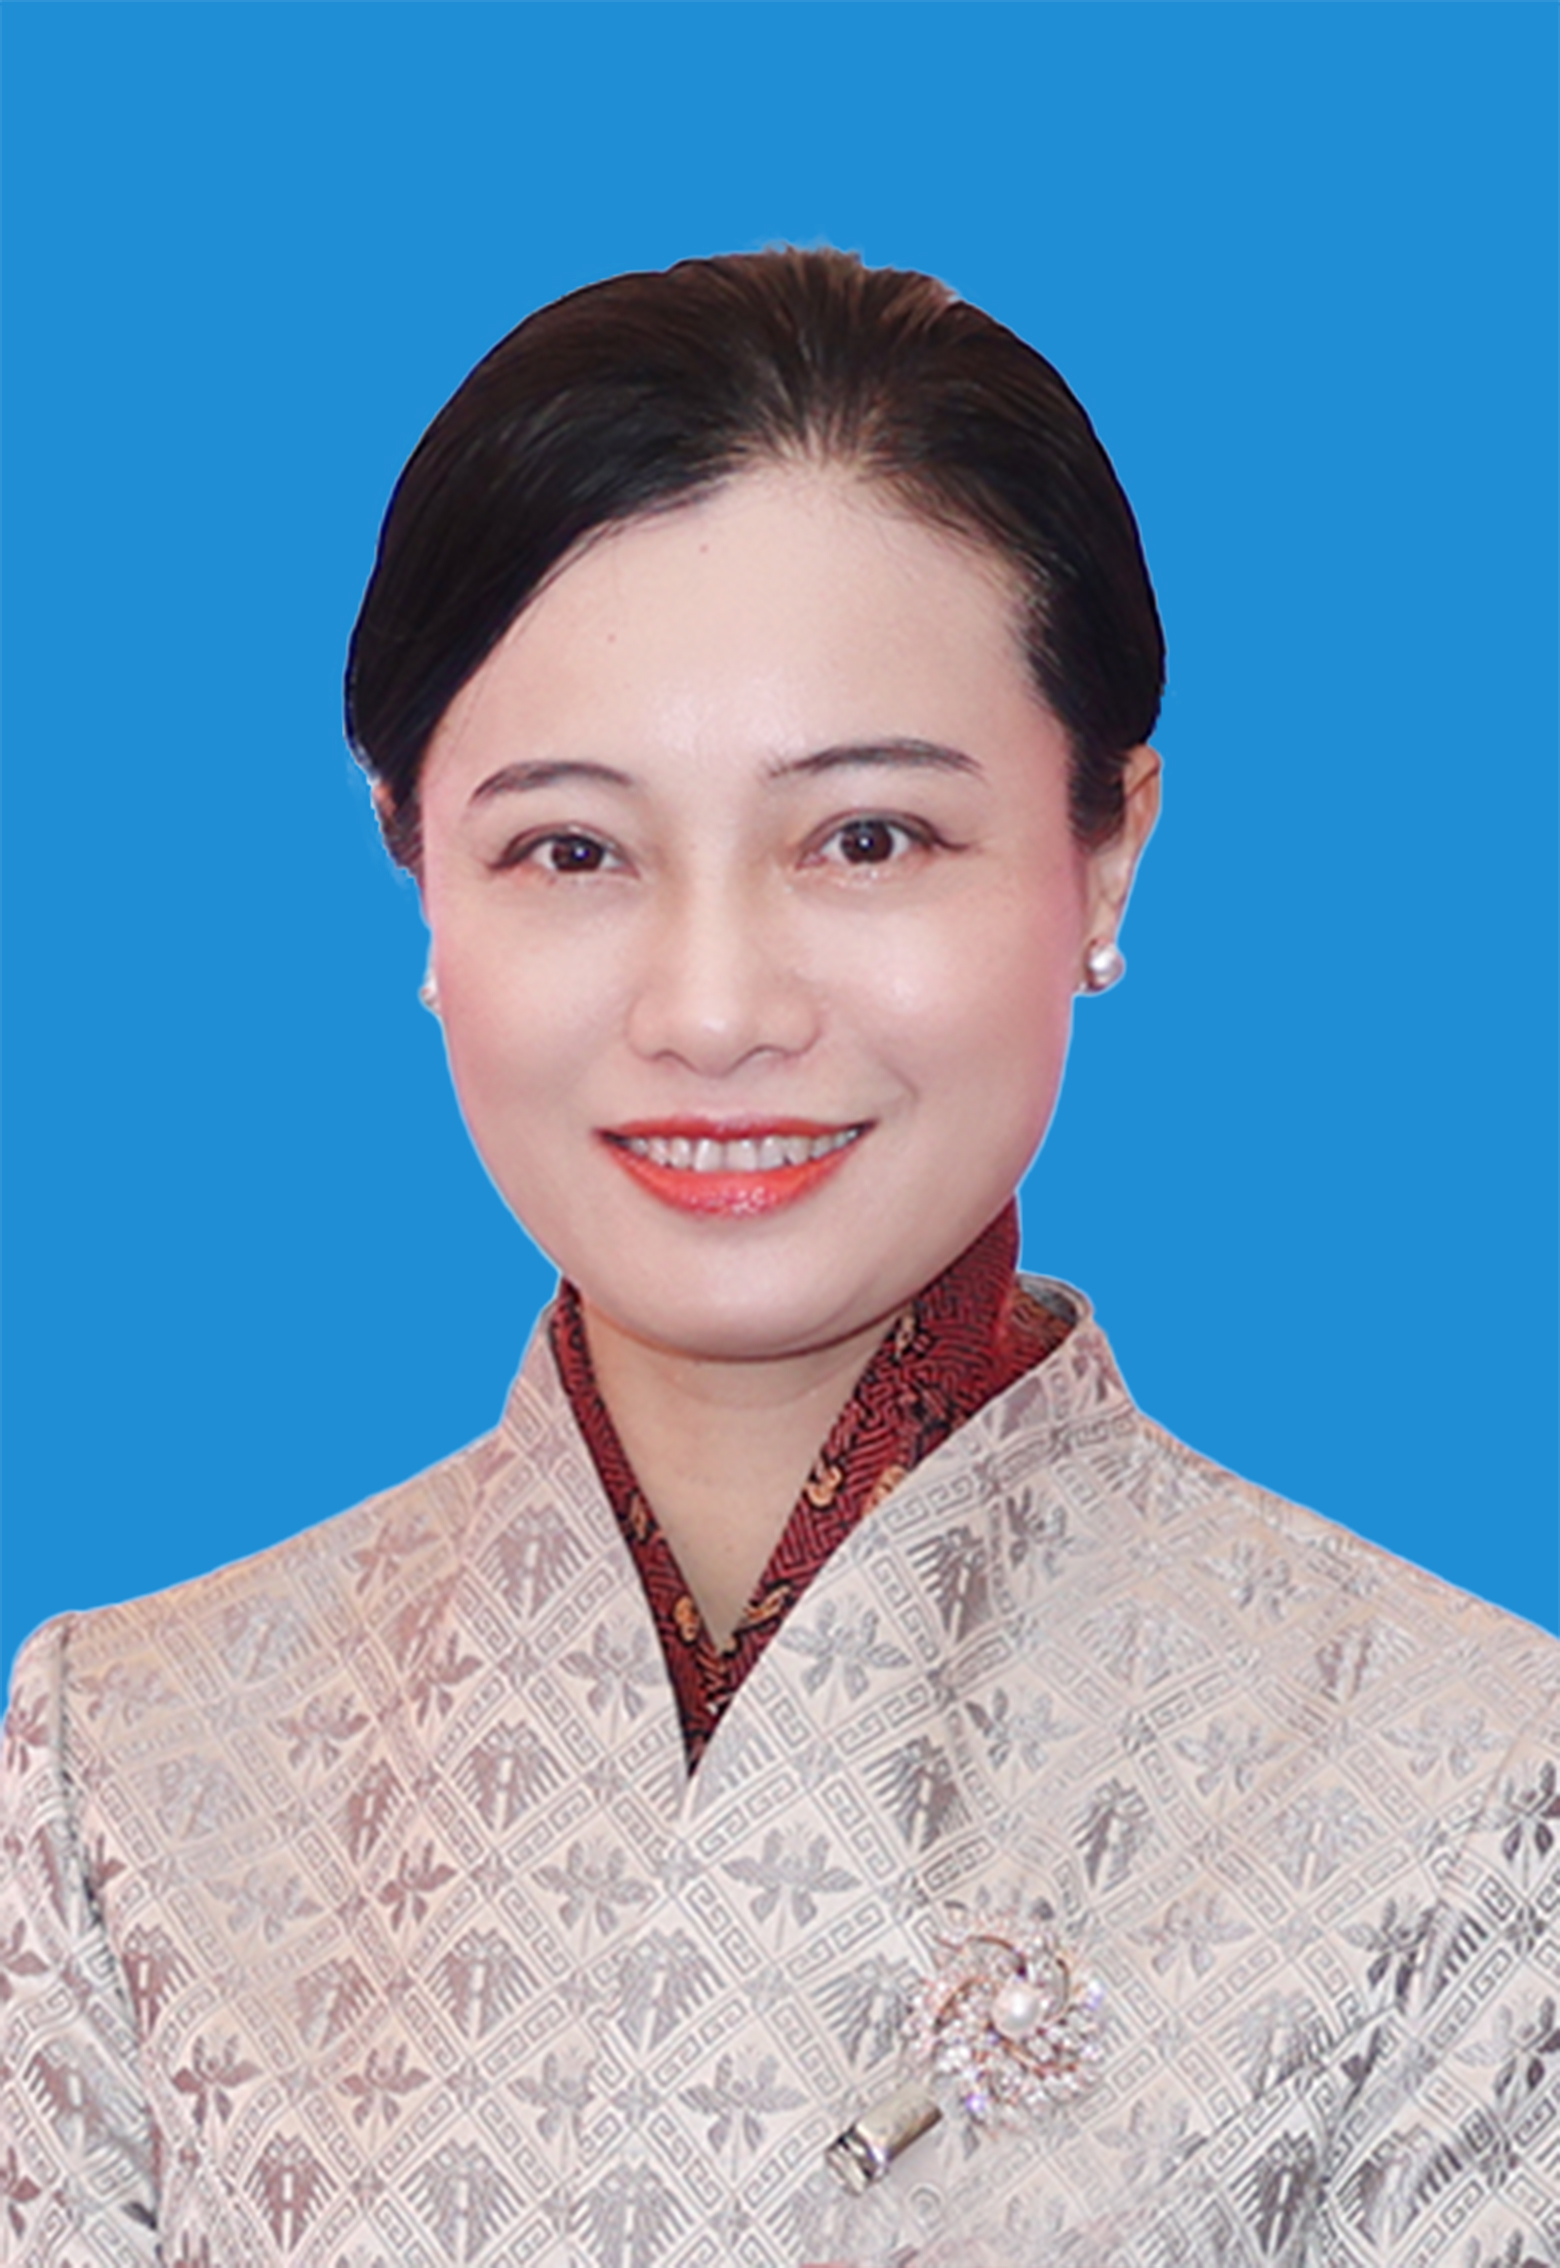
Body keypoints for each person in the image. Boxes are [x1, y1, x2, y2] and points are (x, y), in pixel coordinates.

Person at [1, 250, 1555, 2268]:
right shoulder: (127, 1770)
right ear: (418, 869)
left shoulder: (1464, 1787)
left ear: (1107, 848)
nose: (715, 1011)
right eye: (572, 851)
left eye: (867, 840)